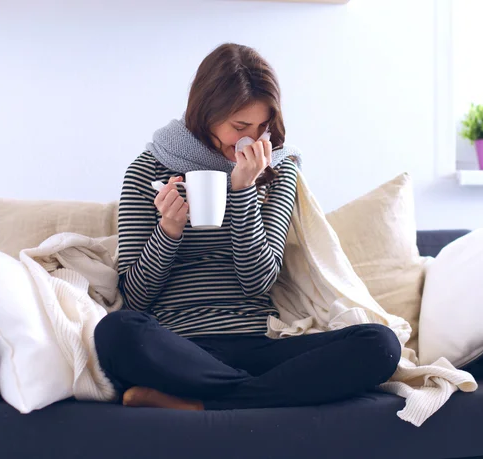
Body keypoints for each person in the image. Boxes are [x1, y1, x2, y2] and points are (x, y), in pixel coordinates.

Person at [94, 43, 401, 411]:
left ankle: (206, 403)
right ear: (204, 112)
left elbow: (257, 280)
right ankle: (257, 396)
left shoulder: (279, 170)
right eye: (239, 126)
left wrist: (243, 191)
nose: (250, 141)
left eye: (262, 127)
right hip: (176, 346)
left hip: (257, 342)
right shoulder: (149, 169)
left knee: (380, 344)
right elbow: (136, 298)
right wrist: (169, 231)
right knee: (117, 332)